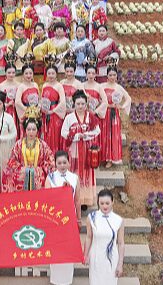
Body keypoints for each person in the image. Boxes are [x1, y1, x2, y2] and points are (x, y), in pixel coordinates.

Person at [61, 90, 101, 206]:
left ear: (86, 104)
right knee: (75, 171)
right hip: (74, 150)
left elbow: (97, 130)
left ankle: (86, 199)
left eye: (83, 104)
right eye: (78, 104)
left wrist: (87, 136)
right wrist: (77, 136)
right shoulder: (69, 117)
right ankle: (74, 198)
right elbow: (63, 133)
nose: (80, 106)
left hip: (87, 149)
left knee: (87, 171)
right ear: (74, 104)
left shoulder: (91, 117)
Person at [47, 150, 80, 285]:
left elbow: (77, 200)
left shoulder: (74, 178)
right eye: (59, 163)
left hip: (69, 220)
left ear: (69, 162)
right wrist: (61, 190)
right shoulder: (50, 178)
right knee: (56, 250)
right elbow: (47, 199)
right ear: (55, 163)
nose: (62, 165)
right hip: (54, 220)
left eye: (64, 162)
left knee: (67, 250)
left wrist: (79, 218)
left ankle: (67, 280)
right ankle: (55, 279)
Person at [2, 113, 56, 192]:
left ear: (37, 130)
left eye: (34, 129)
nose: (31, 132)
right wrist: (22, 169)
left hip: (38, 174)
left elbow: (50, 161)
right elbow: (12, 160)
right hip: (22, 172)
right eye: (29, 129)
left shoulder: (43, 145)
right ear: (25, 130)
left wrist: (38, 169)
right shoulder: (19, 144)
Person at [85, 189, 125, 284]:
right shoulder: (91, 217)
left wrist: (120, 264)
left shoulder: (119, 220)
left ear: (112, 202)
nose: (104, 206)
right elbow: (89, 237)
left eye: (107, 203)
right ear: (98, 202)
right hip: (96, 258)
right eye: (101, 203)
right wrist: (85, 255)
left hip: (111, 260)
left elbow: (121, 243)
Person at [100, 65, 131, 168]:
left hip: (114, 115)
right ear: (107, 76)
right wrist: (106, 105)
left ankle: (111, 158)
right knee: (104, 135)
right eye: (110, 75)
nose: (112, 77)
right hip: (104, 114)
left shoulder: (119, 88)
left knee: (113, 135)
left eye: (114, 75)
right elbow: (98, 99)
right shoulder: (102, 86)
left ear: (117, 76)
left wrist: (121, 107)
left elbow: (128, 99)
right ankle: (103, 156)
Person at [41, 62, 67, 154]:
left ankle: (55, 155)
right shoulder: (44, 85)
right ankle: (47, 155)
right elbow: (42, 99)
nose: (51, 75)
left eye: (53, 73)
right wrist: (42, 108)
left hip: (55, 113)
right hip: (45, 112)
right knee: (46, 134)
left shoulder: (59, 86)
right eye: (49, 73)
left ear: (56, 74)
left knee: (55, 134)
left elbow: (63, 101)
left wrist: (53, 111)